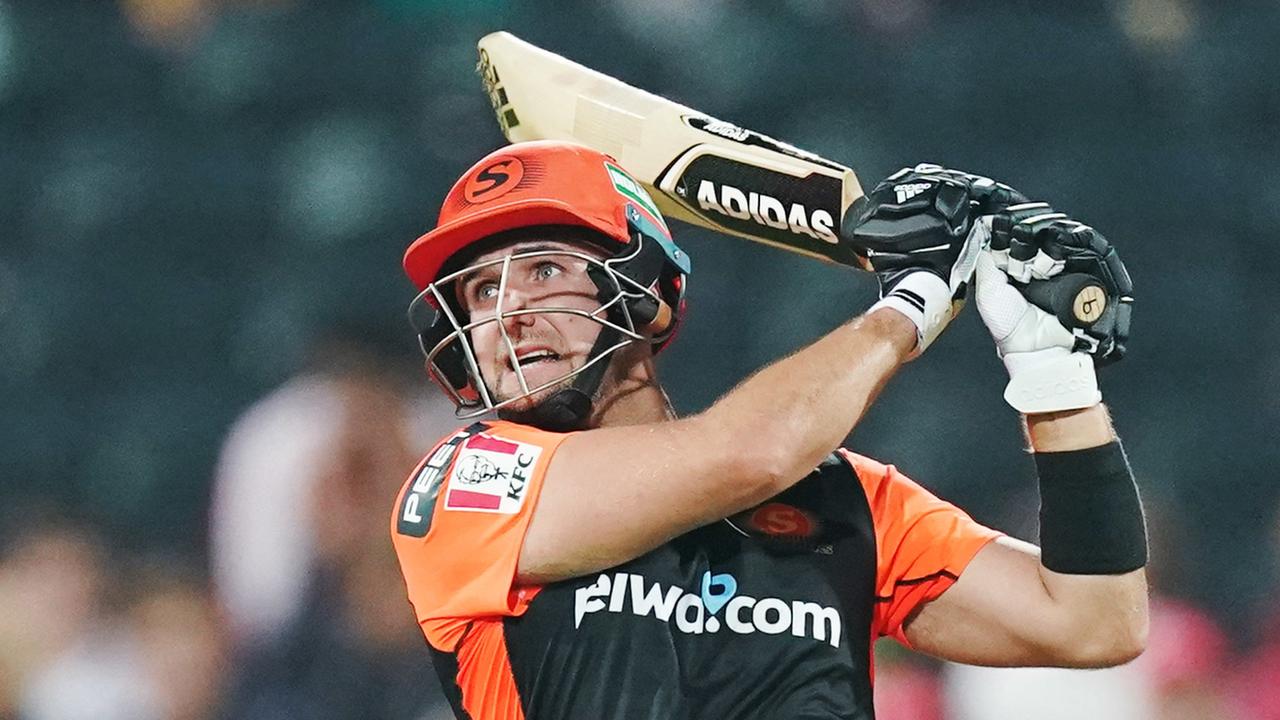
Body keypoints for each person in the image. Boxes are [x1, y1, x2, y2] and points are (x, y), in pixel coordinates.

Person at [389, 140, 1148, 719]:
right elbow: (749, 455)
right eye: (481, 289)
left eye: (544, 271)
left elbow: (1093, 621)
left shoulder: (844, 498)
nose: (506, 311)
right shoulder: (468, 485)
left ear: (649, 297)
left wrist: (1053, 376)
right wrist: (912, 301)